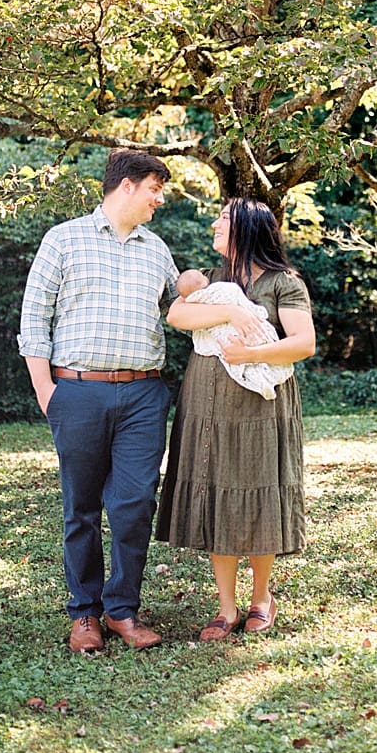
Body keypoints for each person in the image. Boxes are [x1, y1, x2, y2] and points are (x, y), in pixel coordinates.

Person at [18, 150, 181, 655]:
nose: (159, 199)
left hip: (143, 394)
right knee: (82, 509)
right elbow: (32, 322)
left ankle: (123, 611)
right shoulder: (63, 240)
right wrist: (49, 393)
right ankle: (84, 614)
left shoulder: (158, 250)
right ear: (128, 185)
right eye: (155, 188)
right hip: (78, 391)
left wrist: (201, 290)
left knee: (134, 504)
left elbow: (179, 309)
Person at [156, 199, 316, 643]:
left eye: (222, 219)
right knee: (215, 492)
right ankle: (226, 608)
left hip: (262, 405)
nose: (213, 223)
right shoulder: (214, 281)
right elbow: (178, 314)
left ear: (246, 228)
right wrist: (230, 311)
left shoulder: (284, 283)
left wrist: (253, 354)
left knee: (261, 491)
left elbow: (303, 344)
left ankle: (261, 599)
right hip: (208, 403)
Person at [175, 268, 293, 399]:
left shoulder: (191, 301)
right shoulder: (221, 288)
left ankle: (260, 381)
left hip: (226, 338)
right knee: (255, 339)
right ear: (206, 280)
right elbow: (236, 297)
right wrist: (249, 312)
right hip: (233, 331)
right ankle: (263, 380)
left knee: (238, 355)